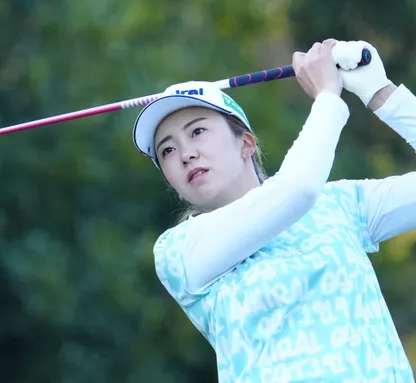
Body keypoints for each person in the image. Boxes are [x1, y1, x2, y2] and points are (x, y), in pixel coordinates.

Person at [132, 38, 416, 382]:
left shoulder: (340, 205)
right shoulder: (179, 251)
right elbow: (297, 189)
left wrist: (382, 94)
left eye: (198, 131)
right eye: (167, 150)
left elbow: (298, 191)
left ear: (246, 144)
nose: (185, 154)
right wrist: (327, 98)